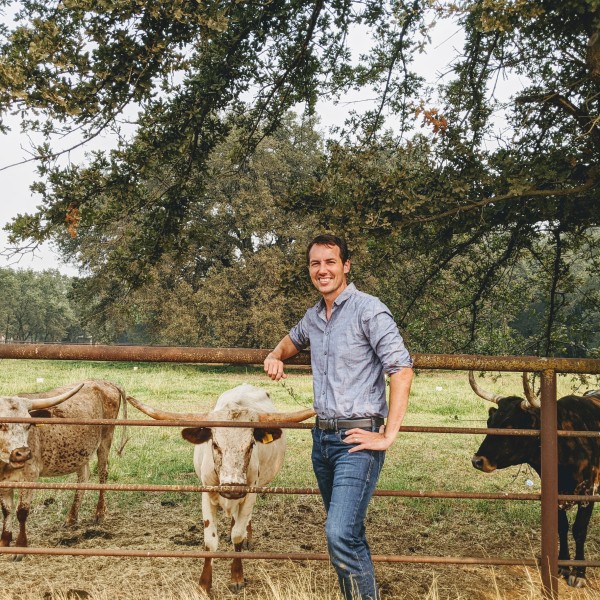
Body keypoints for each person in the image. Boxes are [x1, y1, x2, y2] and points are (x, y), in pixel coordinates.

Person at [264, 234, 413, 600]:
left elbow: (402, 370)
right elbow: (291, 341)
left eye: (330, 262)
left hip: (357, 440)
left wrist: (387, 435)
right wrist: (274, 355)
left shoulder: (369, 309)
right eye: (315, 264)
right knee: (347, 534)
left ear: (345, 265)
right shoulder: (314, 317)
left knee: (339, 534)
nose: (322, 270)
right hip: (322, 442)